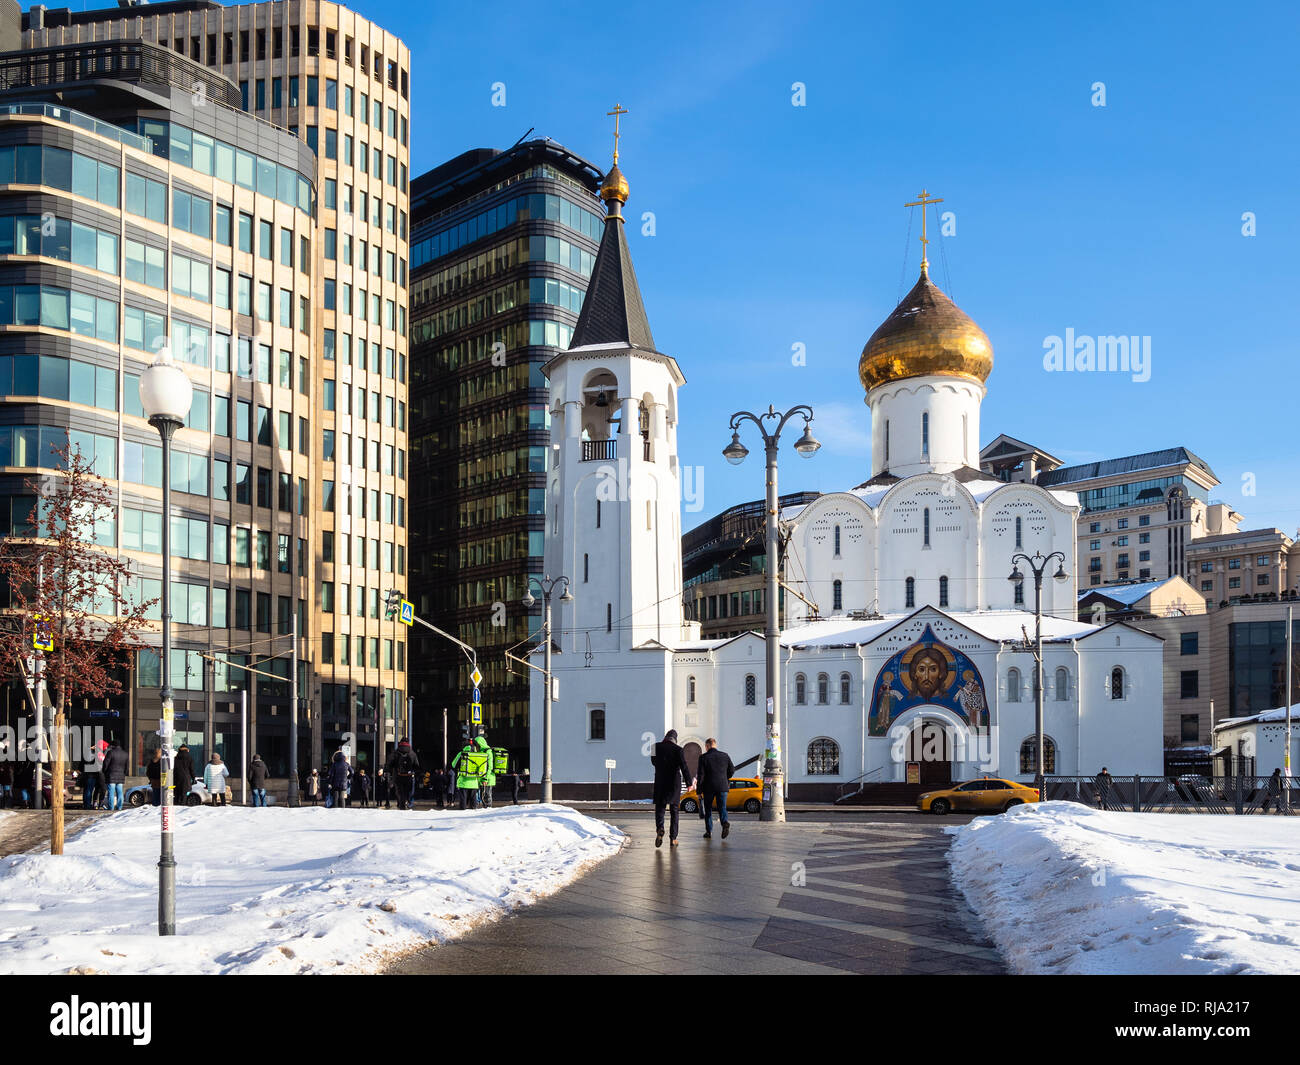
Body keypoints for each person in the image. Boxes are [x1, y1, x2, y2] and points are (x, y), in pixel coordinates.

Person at [651, 729, 695, 848]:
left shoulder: (654, 747)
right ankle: (673, 838)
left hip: (660, 782)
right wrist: (689, 783)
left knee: (660, 808)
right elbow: (684, 766)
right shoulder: (678, 750)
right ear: (675, 739)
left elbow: (653, 762)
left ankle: (660, 828)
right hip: (674, 783)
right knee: (674, 811)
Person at [696, 738, 736, 840]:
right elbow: (732, 770)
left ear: (707, 746)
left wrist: (699, 791)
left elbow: (700, 775)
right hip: (723, 786)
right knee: (722, 807)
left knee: (708, 810)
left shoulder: (703, 757)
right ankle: (725, 823)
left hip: (708, 788)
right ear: (715, 745)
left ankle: (709, 831)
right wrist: (724, 777)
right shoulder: (725, 756)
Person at [386, 736, 420, 810]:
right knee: (408, 790)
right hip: (409, 776)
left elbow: (389, 764)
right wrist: (414, 773)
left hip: (398, 775)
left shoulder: (396, 752)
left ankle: (401, 803)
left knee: (400, 791)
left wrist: (389, 770)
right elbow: (417, 766)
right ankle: (408, 803)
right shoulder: (412, 753)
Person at [451, 738, 485, 810]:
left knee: (463, 799)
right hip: (474, 782)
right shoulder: (478, 755)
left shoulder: (461, 754)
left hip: (463, 782)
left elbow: (453, 765)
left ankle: (462, 812)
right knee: (473, 799)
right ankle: (473, 813)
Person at [102, 740, 129, 811]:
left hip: (111, 775)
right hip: (121, 776)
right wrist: (124, 774)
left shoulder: (110, 753)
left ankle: (111, 808)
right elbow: (127, 767)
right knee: (120, 792)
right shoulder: (125, 754)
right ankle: (119, 807)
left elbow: (105, 764)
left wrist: (104, 772)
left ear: (113, 746)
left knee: (111, 792)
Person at [474, 734, 496, 809]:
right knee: (483, 796)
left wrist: (485, 779)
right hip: (482, 778)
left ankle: (488, 813)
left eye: (476, 744)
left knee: (487, 796)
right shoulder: (481, 751)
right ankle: (485, 810)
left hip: (488, 778)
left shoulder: (488, 751)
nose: (476, 746)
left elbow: (490, 767)